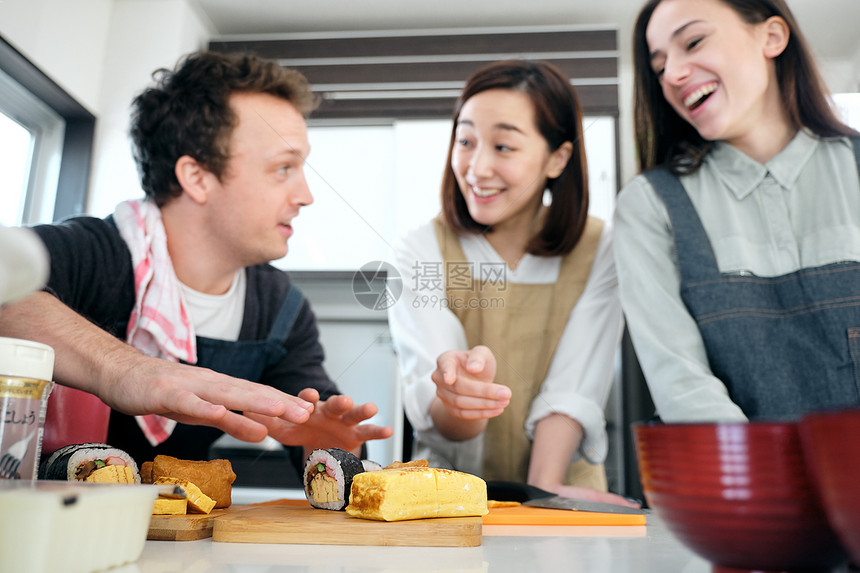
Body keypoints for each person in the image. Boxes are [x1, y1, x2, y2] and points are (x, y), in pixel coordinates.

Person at [0, 51, 392, 467]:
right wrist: (127, 369)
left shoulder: (280, 306)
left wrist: (329, 446)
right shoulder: (91, 253)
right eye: (283, 168)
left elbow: (315, 421)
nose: (306, 196)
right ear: (197, 177)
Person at [389, 60, 633, 506]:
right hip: (443, 501)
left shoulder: (600, 246)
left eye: (503, 146)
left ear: (558, 158)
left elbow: (575, 383)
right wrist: (461, 393)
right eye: (465, 141)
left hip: (560, 488)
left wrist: (542, 491)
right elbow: (437, 403)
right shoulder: (421, 248)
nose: (477, 168)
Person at [614, 0, 860, 423]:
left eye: (693, 41)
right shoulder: (649, 205)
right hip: (737, 482)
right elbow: (682, 382)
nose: (672, 75)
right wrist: (761, 484)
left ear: (772, 37)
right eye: (659, 67)